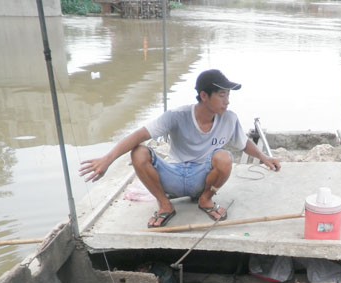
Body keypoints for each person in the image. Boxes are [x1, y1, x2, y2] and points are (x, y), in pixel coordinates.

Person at [79, 69, 282, 228]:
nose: (227, 101)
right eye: (221, 95)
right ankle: (164, 205)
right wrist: (107, 160)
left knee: (224, 157)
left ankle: (205, 200)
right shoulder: (177, 116)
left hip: (202, 178)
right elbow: (138, 135)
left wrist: (265, 158)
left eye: (228, 95)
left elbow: (243, 143)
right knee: (139, 152)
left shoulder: (229, 118)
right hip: (173, 176)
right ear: (204, 95)